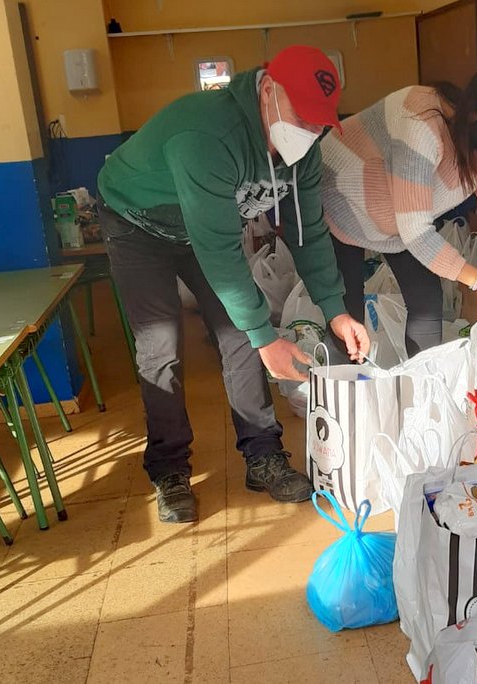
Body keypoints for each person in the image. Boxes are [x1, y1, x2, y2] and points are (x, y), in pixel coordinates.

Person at [97, 45, 369, 523]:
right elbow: (220, 252)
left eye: (319, 123)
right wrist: (266, 338)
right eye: (302, 117)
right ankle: (170, 470)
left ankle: (263, 455)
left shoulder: (303, 152)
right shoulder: (206, 135)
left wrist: (336, 309)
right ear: (268, 91)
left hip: (205, 230)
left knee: (241, 337)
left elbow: (307, 230)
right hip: (137, 223)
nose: (309, 132)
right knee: (161, 346)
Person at [320, 61, 477, 356]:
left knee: (427, 301)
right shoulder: (420, 120)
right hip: (337, 201)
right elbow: (416, 232)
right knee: (347, 316)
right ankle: (337, 384)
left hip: (397, 222)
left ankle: (424, 382)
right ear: (473, 108)